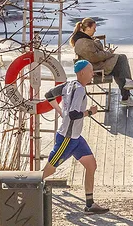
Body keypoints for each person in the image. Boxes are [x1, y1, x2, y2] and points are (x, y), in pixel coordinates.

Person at [43, 59, 109, 214]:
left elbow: (49, 95)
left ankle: (89, 204)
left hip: (76, 137)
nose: (93, 74)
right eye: (91, 71)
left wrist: (60, 112)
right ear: (82, 73)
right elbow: (73, 114)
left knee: (91, 165)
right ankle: (27, 189)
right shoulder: (79, 89)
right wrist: (90, 112)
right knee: (50, 170)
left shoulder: (68, 84)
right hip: (67, 138)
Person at [71, 17, 133, 106]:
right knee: (121, 61)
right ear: (88, 28)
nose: (95, 31)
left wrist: (105, 51)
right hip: (96, 69)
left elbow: (95, 53)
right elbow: (95, 57)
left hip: (95, 65)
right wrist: (108, 53)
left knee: (120, 64)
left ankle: (127, 90)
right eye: (94, 28)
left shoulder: (85, 39)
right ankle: (126, 91)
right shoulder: (83, 43)